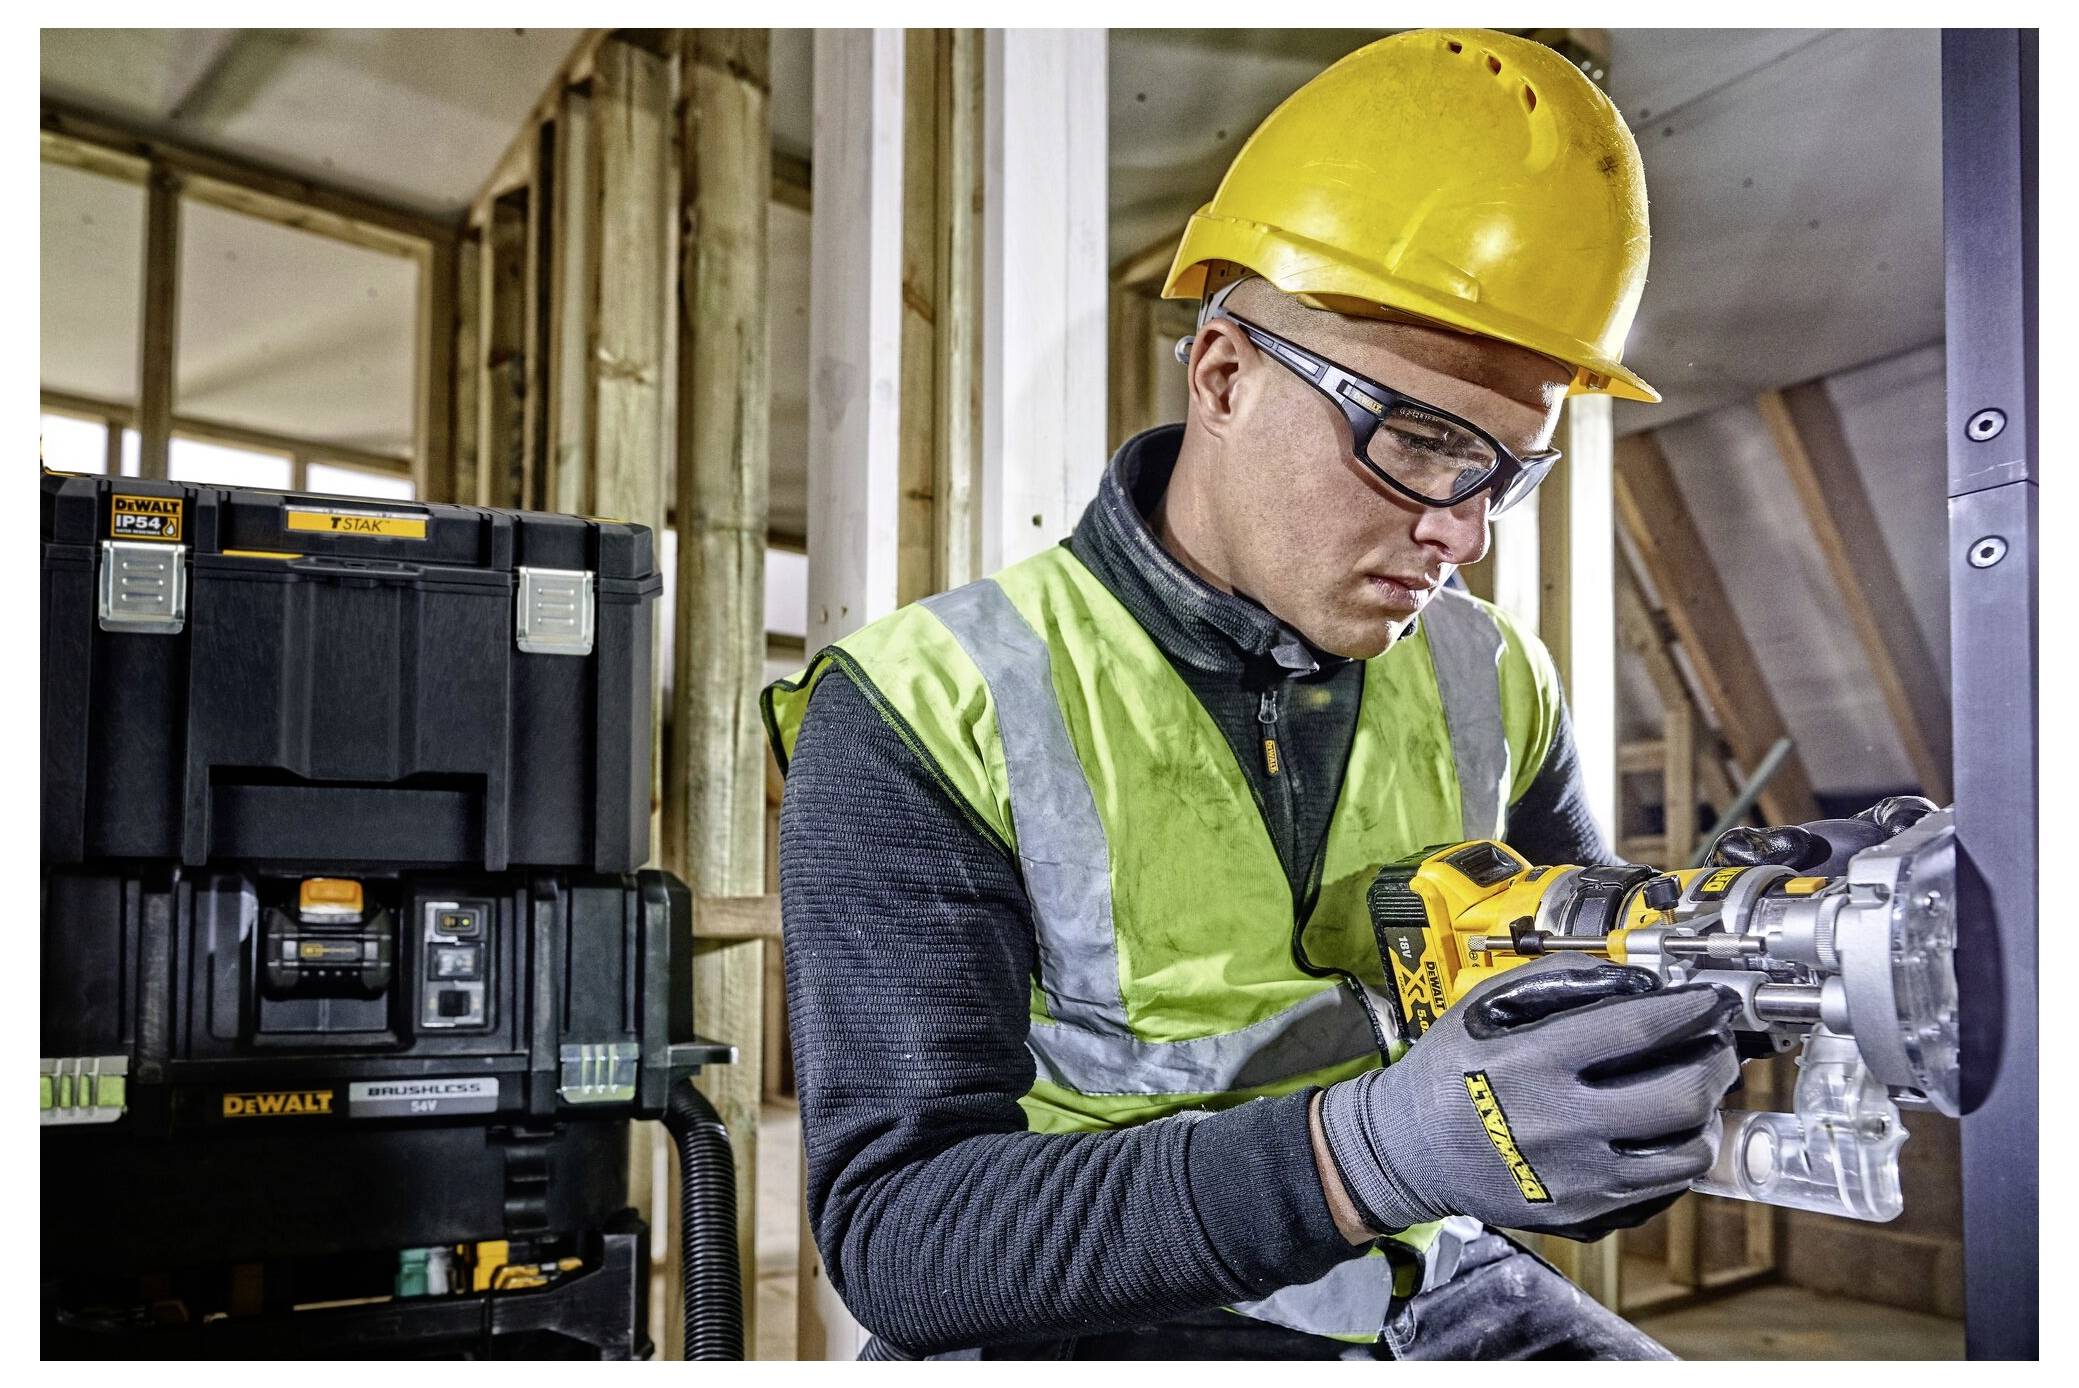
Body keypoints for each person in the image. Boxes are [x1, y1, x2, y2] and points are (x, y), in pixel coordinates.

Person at [764, 29, 1742, 1359]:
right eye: (1420, 443)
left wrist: (1679, 1048)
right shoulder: (923, 705)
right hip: (1088, 1311)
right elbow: (906, 1239)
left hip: (1430, 1288)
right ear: (1222, 374)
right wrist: (1367, 1156)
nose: (1467, 537)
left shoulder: (1490, 673)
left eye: (1509, 475)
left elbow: (1572, 991)